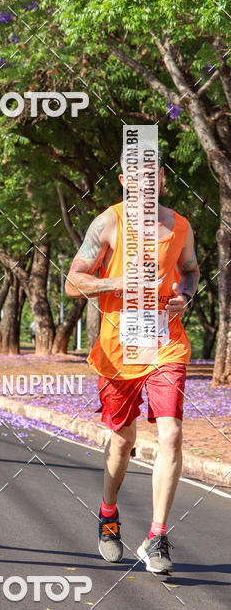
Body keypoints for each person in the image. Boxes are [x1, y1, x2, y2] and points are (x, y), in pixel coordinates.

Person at [65, 149, 199, 575]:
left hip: (165, 343)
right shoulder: (108, 222)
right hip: (118, 348)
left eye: (152, 174)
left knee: (172, 434)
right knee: (122, 441)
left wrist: (186, 295)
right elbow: (72, 282)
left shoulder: (179, 226)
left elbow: (191, 271)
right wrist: (118, 281)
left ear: (160, 177)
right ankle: (108, 514)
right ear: (124, 180)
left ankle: (157, 536)